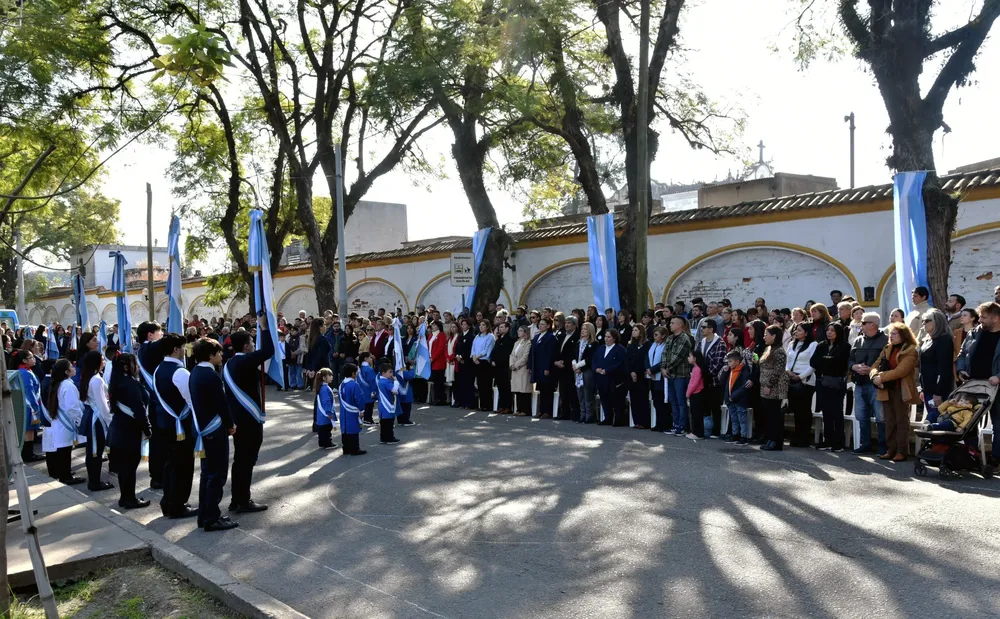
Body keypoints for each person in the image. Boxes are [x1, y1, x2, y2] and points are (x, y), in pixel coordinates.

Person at [222, 314, 274, 515]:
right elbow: (269, 350)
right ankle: (242, 500)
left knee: (240, 461)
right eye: (251, 341)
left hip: (237, 418)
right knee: (246, 460)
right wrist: (263, 327)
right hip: (249, 421)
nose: (253, 344)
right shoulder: (245, 361)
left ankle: (237, 498)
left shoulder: (230, 363)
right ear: (245, 346)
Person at [189, 338, 238, 531]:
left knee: (207, 474)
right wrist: (230, 424)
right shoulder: (210, 375)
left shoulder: (195, 372)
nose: (221, 355)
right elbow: (221, 403)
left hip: (203, 427)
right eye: (218, 352)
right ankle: (211, 517)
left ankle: (205, 515)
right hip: (213, 429)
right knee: (217, 474)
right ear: (210, 355)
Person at [152, 333, 198, 519]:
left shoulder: (158, 369)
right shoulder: (180, 372)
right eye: (182, 347)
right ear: (175, 349)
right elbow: (192, 401)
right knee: (183, 466)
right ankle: (178, 504)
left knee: (170, 465)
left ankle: (169, 502)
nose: (184, 351)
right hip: (181, 425)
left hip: (165, 424)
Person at [870, 323, 920, 462]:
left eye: (894, 334)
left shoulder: (911, 350)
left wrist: (882, 377)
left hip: (901, 389)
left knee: (901, 421)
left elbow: (901, 371)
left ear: (903, 335)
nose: (891, 336)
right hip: (886, 389)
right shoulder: (887, 348)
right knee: (889, 421)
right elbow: (875, 365)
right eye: (890, 333)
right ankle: (890, 450)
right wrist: (874, 377)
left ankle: (901, 451)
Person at [108, 353, 152, 509]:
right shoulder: (129, 383)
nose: (137, 367)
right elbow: (138, 408)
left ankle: (126, 497)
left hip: (120, 428)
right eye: (135, 364)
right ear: (127, 366)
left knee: (125, 467)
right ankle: (129, 499)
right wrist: (147, 428)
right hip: (129, 429)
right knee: (129, 466)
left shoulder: (118, 380)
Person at [849, 312, 889, 455]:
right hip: (859, 383)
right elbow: (850, 360)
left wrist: (872, 370)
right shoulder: (858, 340)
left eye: (864, 323)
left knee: (881, 417)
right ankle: (865, 444)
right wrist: (854, 367)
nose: (861, 325)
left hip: (876, 385)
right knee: (861, 416)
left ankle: (883, 447)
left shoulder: (886, 340)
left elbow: (887, 362)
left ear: (873, 325)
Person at [956, 302, 1000, 429]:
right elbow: (962, 353)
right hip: (974, 386)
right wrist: (961, 369)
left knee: (998, 427)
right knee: (967, 425)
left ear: (995, 318)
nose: (980, 320)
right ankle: (970, 450)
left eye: (984, 317)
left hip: (996, 389)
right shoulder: (974, 332)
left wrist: (998, 377)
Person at [810, 323, 850, 452]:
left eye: (833, 330)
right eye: (828, 330)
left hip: (836, 382)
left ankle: (838, 442)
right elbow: (814, 362)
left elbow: (840, 363)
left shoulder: (845, 346)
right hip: (822, 381)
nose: (829, 332)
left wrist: (827, 360)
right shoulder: (822, 345)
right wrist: (828, 360)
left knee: (836, 411)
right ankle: (827, 440)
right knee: (826, 412)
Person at [78, 350, 114, 491]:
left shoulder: (91, 377)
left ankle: (94, 480)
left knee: (93, 451)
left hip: (91, 414)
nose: (104, 361)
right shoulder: (96, 379)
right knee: (95, 452)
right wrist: (109, 421)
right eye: (102, 359)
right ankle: (95, 482)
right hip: (96, 418)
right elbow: (102, 404)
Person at [46, 359, 86, 485]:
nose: (74, 368)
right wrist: (80, 422)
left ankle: (65, 473)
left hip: (61, 422)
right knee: (64, 450)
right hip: (66, 423)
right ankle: (66, 476)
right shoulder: (67, 386)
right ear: (67, 372)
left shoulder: (62, 383)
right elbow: (73, 407)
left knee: (64, 449)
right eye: (71, 367)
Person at [918, 309, 954, 424]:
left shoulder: (944, 340)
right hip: (927, 388)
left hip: (939, 390)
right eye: (923, 321)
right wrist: (922, 388)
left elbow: (944, 368)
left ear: (937, 322)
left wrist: (938, 392)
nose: (923, 323)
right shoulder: (927, 340)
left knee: (938, 422)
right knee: (933, 422)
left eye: (927, 321)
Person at [785, 323, 817, 448]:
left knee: (804, 410)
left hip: (805, 381)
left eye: (799, 330)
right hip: (792, 379)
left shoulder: (813, 345)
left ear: (806, 333)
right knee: (796, 410)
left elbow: (813, 364)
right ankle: (797, 435)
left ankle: (803, 437)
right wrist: (788, 371)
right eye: (795, 330)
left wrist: (800, 376)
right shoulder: (792, 344)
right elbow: (788, 361)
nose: (796, 332)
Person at [757, 325, 789, 451]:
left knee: (774, 416)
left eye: (767, 334)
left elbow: (778, 370)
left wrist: (769, 385)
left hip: (774, 388)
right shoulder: (768, 349)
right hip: (764, 386)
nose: (764, 336)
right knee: (768, 415)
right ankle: (769, 438)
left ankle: (775, 441)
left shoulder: (779, 351)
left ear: (774, 336)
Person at [697, 319, 727, 437]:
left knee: (715, 406)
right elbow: (697, 359)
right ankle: (706, 429)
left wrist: (708, 374)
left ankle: (716, 430)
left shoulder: (720, 343)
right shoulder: (702, 342)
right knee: (705, 406)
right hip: (702, 380)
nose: (702, 329)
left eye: (704, 327)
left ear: (711, 329)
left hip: (714, 381)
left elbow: (718, 362)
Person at [593, 329, 628, 426]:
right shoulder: (601, 348)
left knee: (616, 400)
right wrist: (596, 368)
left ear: (614, 338)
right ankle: (607, 417)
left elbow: (620, 364)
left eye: (609, 337)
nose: (606, 339)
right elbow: (594, 360)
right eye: (605, 337)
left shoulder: (620, 349)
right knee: (604, 398)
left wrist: (607, 370)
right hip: (601, 378)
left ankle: (618, 419)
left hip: (614, 379)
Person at [721, 350, 752, 445]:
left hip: (739, 400)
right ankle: (735, 435)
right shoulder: (730, 371)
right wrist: (725, 372)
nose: (729, 364)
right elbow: (723, 382)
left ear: (737, 361)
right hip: (730, 400)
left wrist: (733, 396)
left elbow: (744, 387)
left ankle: (743, 437)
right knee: (734, 418)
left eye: (730, 361)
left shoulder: (743, 371)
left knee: (742, 419)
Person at [530, 317, 558, 418]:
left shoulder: (550, 337)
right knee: (541, 389)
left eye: (543, 324)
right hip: (537, 366)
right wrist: (531, 366)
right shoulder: (537, 337)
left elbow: (550, 354)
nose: (541, 326)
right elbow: (532, 352)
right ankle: (541, 410)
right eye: (540, 324)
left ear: (548, 326)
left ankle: (547, 411)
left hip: (545, 367)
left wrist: (547, 368)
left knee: (547, 389)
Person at [338, 363, 367, 455]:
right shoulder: (354, 385)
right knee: (353, 430)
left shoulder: (342, 384)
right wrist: (362, 410)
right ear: (353, 374)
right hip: (352, 411)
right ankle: (355, 449)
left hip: (344, 411)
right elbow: (359, 398)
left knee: (345, 430)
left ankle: (346, 448)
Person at [555, 317, 581, 420]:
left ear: (575, 325)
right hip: (560, 367)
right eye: (566, 323)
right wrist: (556, 361)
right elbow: (557, 350)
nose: (566, 325)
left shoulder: (577, 337)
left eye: (569, 323)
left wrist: (565, 362)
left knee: (572, 391)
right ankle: (564, 412)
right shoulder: (562, 335)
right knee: (563, 391)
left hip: (570, 368)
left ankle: (575, 413)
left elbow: (574, 352)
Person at [644, 325, 668, 432]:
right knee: (655, 401)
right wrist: (648, 369)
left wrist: (653, 370)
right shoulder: (653, 345)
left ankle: (663, 424)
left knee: (661, 401)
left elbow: (663, 361)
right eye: (654, 334)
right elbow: (647, 358)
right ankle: (657, 423)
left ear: (663, 336)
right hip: (651, 377)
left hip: (659, 377)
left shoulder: (665, 346)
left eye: (657, 334)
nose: (654, 336)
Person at [625, 325, 650, 429]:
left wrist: (637, 371)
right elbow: (627, 360)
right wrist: (631, 372)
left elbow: (644, 360)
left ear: (641, 332)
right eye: (633, 330)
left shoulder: (647, 344)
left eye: (636, 330)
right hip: (632, 375)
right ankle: (637, 421)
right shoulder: (630, 345)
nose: (634, 332)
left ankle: (644, 421)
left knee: (642, 398)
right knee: (634, 398)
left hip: (642, 375)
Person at [573, 322, 597, 423]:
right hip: (577, 371)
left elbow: (590, 358)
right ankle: (582, 415)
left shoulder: (594, 343)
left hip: (587, 371)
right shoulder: (579, 342)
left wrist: (579, 367)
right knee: (580, 394)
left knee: (588, 395)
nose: (583, 331)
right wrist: (574, 364)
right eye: (582, 329)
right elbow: (574, 355)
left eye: (585, 329)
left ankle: (589, 416)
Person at [471, 320, 495, 411]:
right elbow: (473, 347)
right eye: (480, 325)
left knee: (486, 384)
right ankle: (482, 404)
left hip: (485, 362)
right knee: (480, 384)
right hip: (477, 362)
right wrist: (474, 357)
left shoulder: (490, 337)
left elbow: (487, 349)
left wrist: (478, 356)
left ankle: (488, 405)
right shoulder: (477, 336)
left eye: (483, 325)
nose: (481, 327)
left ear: (488, 327)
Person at [491, 321, 515, 413]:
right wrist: (493, 360)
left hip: (504, 367)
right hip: (497, 367)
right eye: (499, 327)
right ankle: (501, 405)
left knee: (506, 387)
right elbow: (494, 352)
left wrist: (498, 362)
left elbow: (507, 354)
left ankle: (508, 407)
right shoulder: (498, 340)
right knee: (500, 386)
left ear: (507, 328)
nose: (500, 329)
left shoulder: (510, 340)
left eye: (502, 327)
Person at [510, 326, 532, 416]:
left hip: (522, 368)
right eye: (518, 330)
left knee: (524, 389)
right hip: (515, 369)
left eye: (521, 330)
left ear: (525, 332)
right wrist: (511, 364)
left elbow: (525, 357)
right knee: (517, 390)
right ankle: (518, 408)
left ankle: (525, 410)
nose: (518, 332)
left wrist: (516, 365)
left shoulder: (528, 343)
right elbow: (511, 354)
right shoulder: (516, 343)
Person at [313, 368, 338, 449]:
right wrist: (329, 412)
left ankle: (322, 443)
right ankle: (327, 443)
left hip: (321, 415)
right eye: (330, 375)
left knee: (323, 429)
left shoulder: (322, 387)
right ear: (324, 378)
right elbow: (326, 402)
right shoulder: (325, 389)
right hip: (325, 414)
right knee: (326, 429)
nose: (332, 377)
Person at [376, 362, 400, 444]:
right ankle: (389, 438)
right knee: (388, 423)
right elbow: (394, 390)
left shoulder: (381, 381)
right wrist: (396, 381)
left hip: (382, 406)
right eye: (390, 372)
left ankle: (383, 438)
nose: (392, 374)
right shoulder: (386, 382)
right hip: (387, 406)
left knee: (383, 423)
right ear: (383, 373)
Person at [455, 318, 477, 408]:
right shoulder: (460, 336)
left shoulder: (471, 336)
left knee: (468, 383)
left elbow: (470, 349)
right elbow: (457, 348)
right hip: (460, 362)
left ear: (469, 325)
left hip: (468, 363)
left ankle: (469, 403)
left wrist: (463, 357)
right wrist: (457, 356)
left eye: (465, 324)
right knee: (462, 383)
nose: (463, 326)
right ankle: (463, 402)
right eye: (462, 324)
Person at [428, 320, 448, 405]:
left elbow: (441, 348)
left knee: (439, 381)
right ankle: (435, 398)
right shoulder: (431, 335)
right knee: (435, 381)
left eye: (434, 325)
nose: (432, 326)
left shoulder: (441, 335)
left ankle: (440, 399)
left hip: (438, 361)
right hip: (431, 360)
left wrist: (433, 357)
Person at [357, 351, 378, 425]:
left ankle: (367, 419)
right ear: (365, 359)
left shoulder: (360, 368)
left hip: (362, 389)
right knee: (369, 405)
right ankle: (368, 419)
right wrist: (375, 390)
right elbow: (372, 381)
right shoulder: (368, 369)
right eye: (370, 357)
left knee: (366, 404)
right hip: (368, 389)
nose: (371, 359)